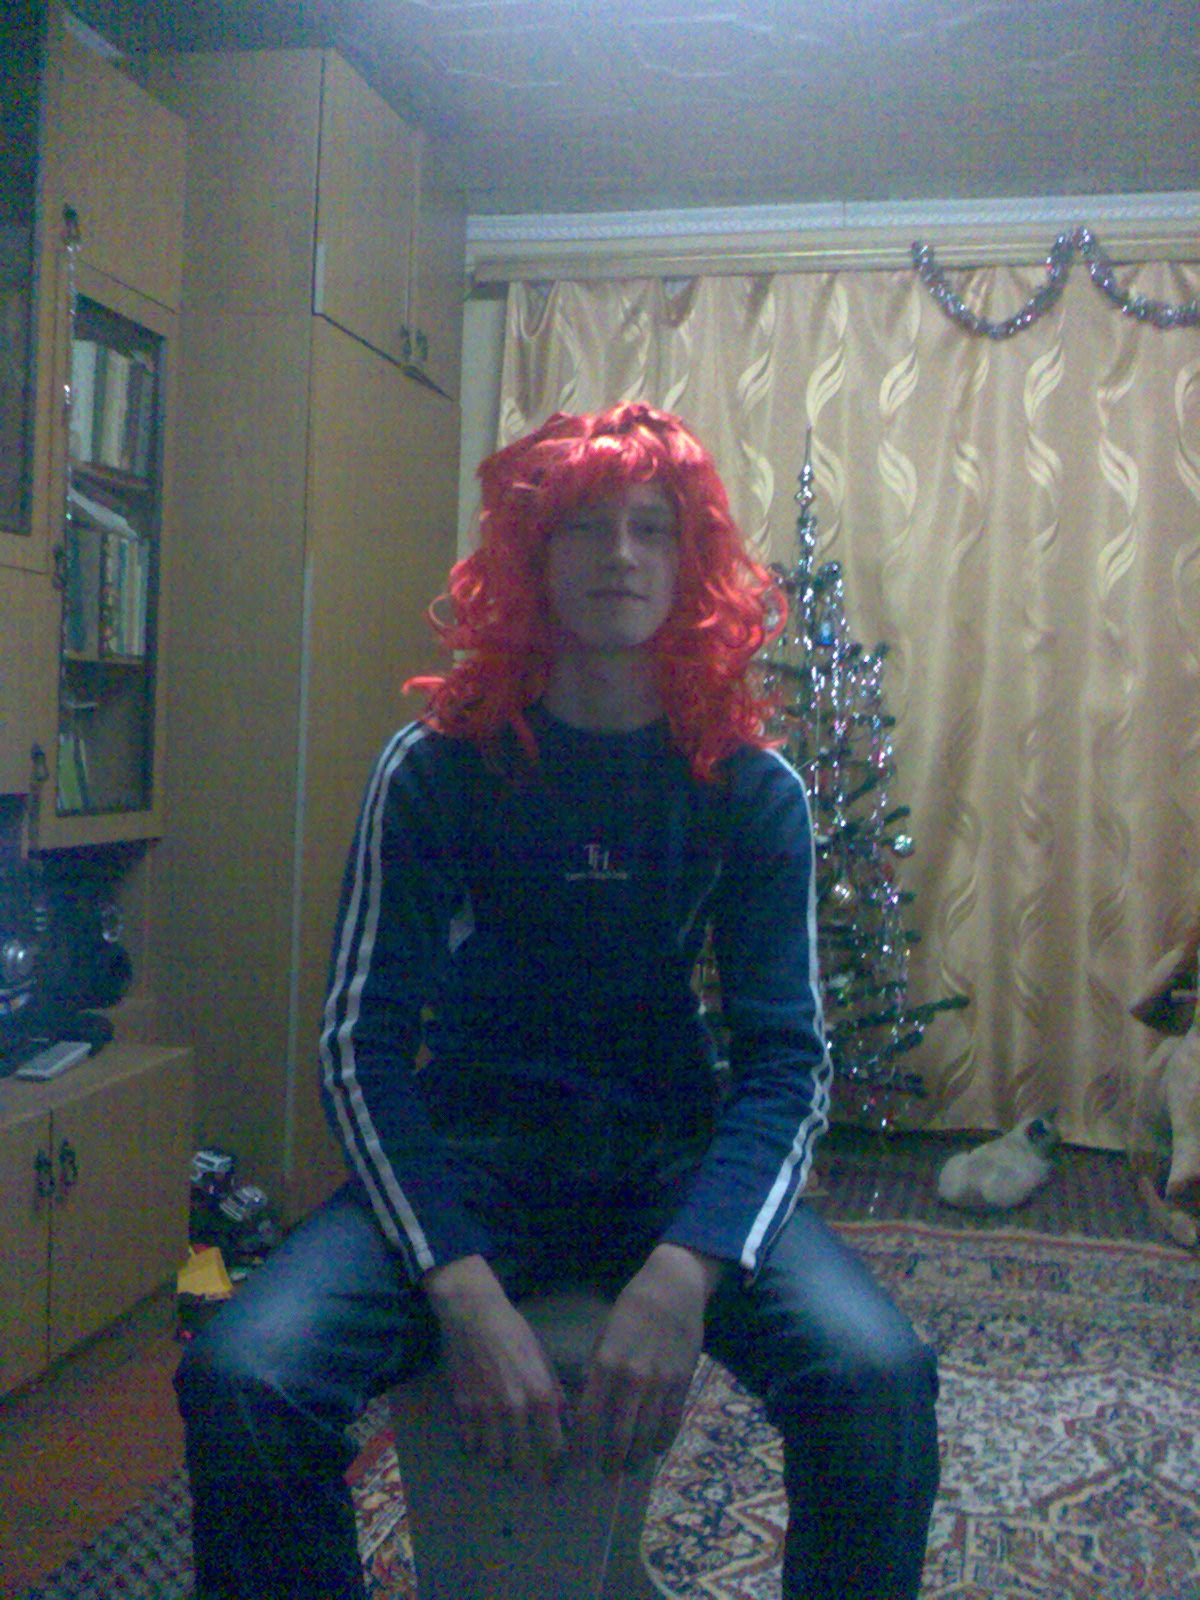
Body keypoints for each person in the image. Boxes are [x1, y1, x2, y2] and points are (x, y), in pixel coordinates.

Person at [175, 402, 940, 1599]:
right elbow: (361, 1048)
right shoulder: (436, 765)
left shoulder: (750, 787)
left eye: (651, 528)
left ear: (692, 563)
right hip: (473, 1152)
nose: (619, 555)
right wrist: (460, 1285)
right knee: (243, 1378)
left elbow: (788, 1066)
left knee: (879, 1382)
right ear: (531, 557)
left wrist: (687, 1270)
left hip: (671, 1158)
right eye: (586, 527)